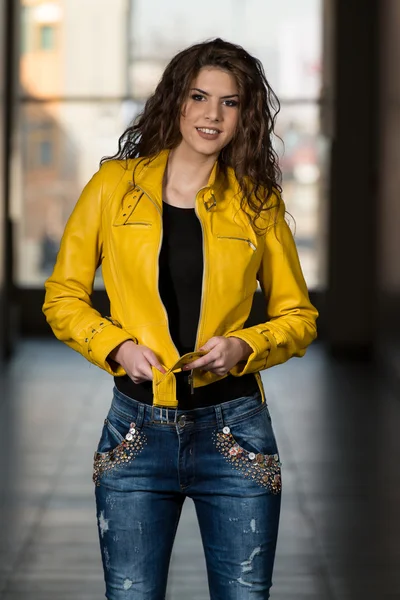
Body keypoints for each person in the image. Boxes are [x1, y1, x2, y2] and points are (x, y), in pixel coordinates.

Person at [43, 38, 318, 600]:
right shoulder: (111, 187)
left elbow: (299, 315)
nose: (212, 115)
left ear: (246, 117)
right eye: (200, 96)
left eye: (231, 102)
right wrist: (116, 346)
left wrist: (246, 344)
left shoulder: (257, 203)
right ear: (177, 101)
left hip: (236, 434)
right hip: (135, 432)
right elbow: (63, 296)